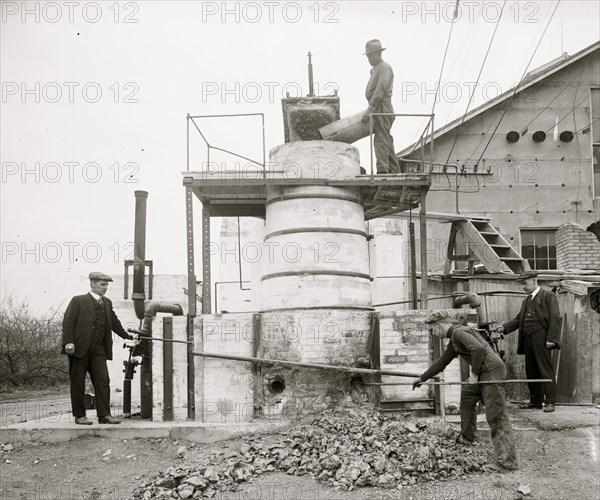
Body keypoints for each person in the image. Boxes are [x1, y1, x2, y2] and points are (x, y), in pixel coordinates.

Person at [412, 311, 518, 471]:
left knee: (496, 415)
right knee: (468, 395)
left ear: (440, 325)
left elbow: (478, 350)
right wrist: (422, 378)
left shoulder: (459, 332)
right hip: (484, 371)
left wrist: (474, 374)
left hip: (491, 372)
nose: (433, 333)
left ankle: (507, 462)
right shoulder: (454, 340)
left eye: (432, 329)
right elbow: (441, 363)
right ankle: (469, 437)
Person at [62, 272, 134, 425]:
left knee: (103, 381)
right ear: (92, 284)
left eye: (107, 285)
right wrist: (68, 342)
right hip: (79, 349)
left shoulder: (107, 302)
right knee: (78, 383)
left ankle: (104, 415)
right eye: (102, 284)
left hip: (99, 350)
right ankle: (80, 416)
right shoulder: (78, 300)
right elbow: (68, 322)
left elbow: (114, 322)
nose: (106, 288)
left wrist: (128, 336)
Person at [496, 270, 561, 413]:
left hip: (542, 338)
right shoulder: (526, 300)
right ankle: (536, 401)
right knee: (531, 370)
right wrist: (503, 328)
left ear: (534, 281)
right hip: (528, 339)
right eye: (522, 284)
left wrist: (551, 339)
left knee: (545, 369)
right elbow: (519, 319)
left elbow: (555, 318)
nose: (523, 287)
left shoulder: (548, 296)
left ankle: (550, 402)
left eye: (525, 283)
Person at [362, 39, 401, 174]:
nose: (369, 59)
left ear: (378, 54)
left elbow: (381, 89)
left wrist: (370, 109)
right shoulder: (376, 69)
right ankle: (394, 170)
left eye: (370, 56)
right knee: (386, 139)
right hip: (379, 108)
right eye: (367, 56)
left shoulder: (384, 67)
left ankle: (383, 171)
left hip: (382, 108)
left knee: (381, 139)